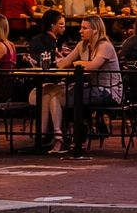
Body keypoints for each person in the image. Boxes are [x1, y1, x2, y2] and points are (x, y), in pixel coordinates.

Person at [40, 15, 121, 154]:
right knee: (51, 93)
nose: (80, 31)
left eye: (84, 28)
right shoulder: (82, 45)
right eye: (81, 28)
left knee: (61, 97)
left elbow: (92, 66)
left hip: (109, 92)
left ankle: (60, 138)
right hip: (91, 89)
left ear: (95, 30)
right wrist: (57, 61)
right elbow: (65, 63)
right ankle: (52, 136)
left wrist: (78, 63)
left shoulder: (104, 46)